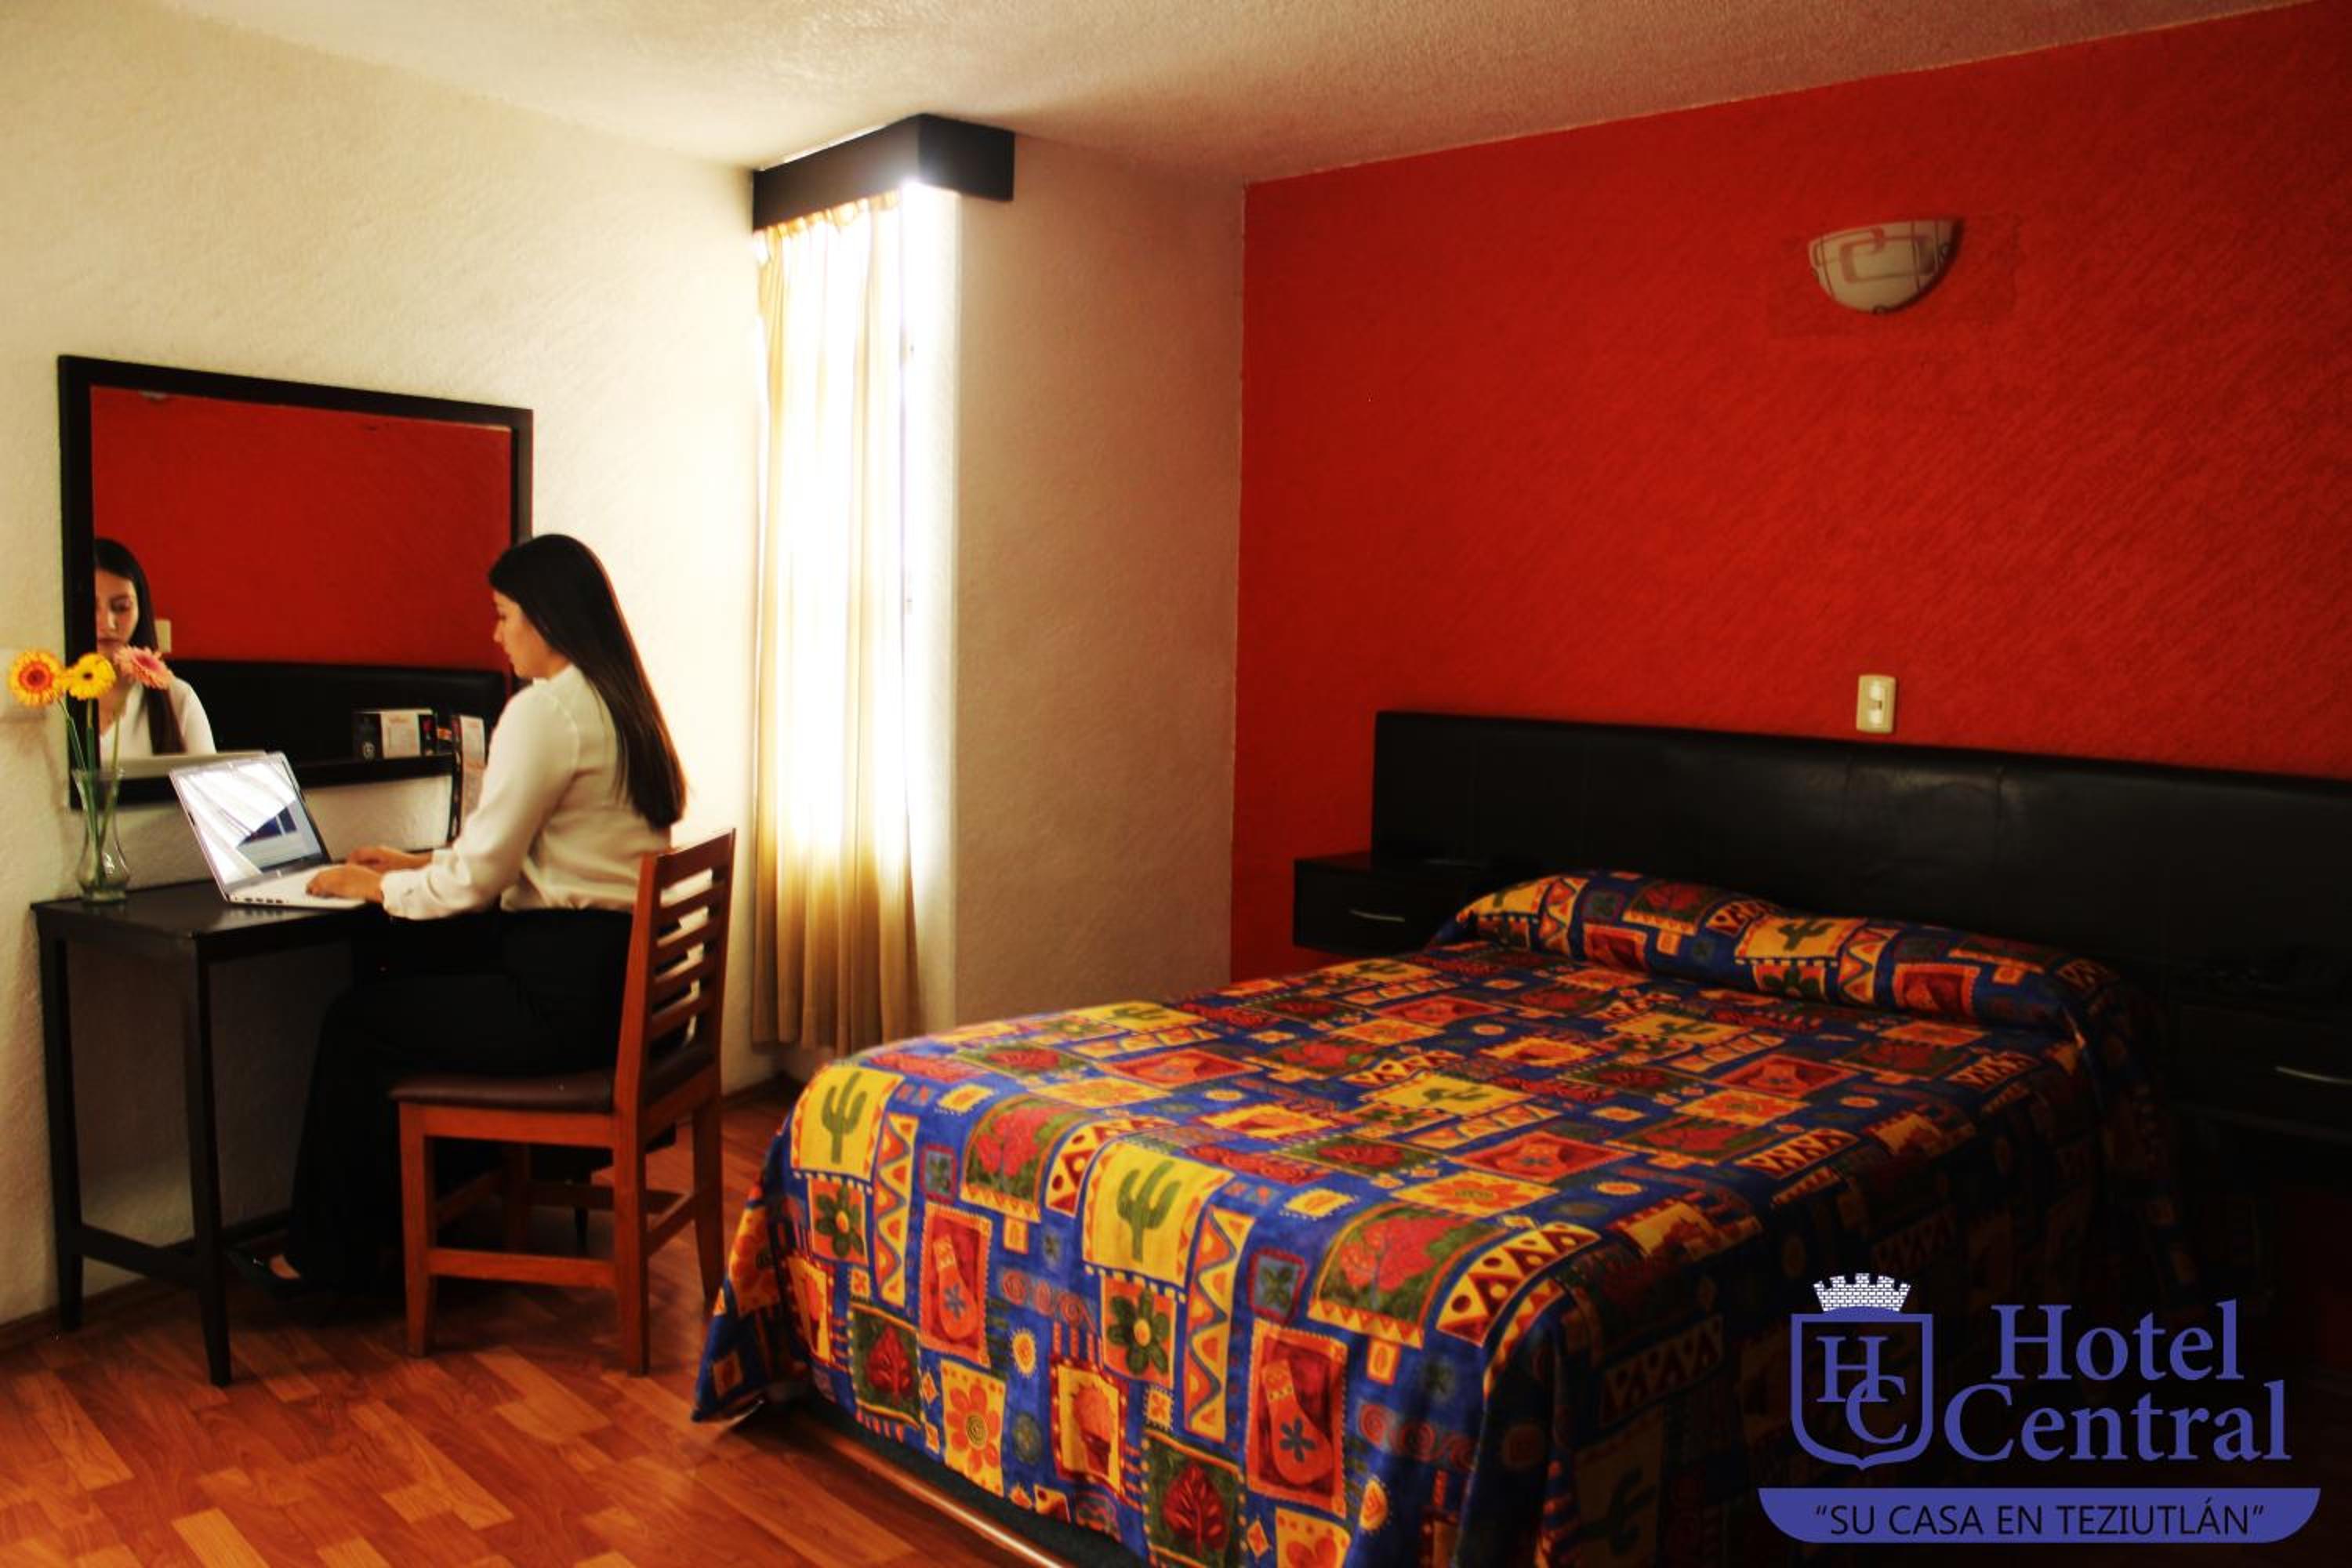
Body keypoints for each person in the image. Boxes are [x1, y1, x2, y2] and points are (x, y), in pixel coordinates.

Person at [252, 535, 687, 1294]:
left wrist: (373, 889)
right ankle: (416, 1220)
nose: (496, 633)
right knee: (412, 973)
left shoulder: (545, 710)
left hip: (567, 1005)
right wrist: (419, 864)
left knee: (357, 1022)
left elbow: (482, 877)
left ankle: (329, 1263)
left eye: (504, 614)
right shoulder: (619, 701)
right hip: (626, 991)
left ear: (545, 617)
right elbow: (541, 848)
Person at [93, 536, 213, 756]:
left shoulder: (178, 699)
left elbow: (207, 777)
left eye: (122, 607)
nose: (108, 623)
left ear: (141, 610)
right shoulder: (53, 699)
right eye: (92, 607)